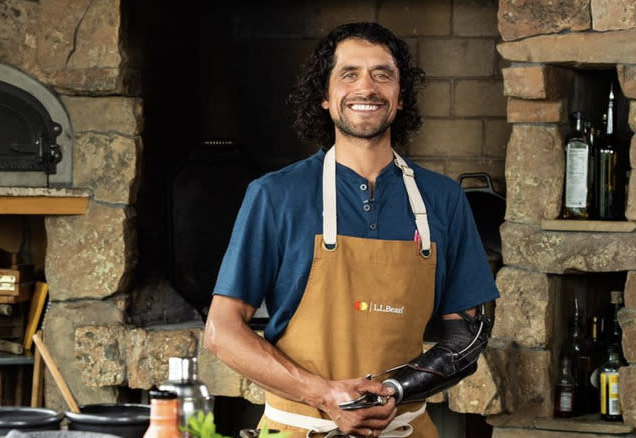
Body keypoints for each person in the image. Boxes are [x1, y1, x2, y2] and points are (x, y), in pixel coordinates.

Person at [204, 22, 499, 438]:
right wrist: (323, 394)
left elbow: (466, 337)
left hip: (406, 429)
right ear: (324, 97)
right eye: (349, 74)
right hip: (299, 429)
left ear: (400, 97)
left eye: (383, 74)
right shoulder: (275, 195)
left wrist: (396, 390)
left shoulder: (444, 198)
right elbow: (222, 330)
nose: (367, 87)